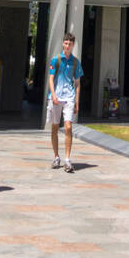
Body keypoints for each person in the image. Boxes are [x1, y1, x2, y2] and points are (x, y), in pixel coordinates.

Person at [47, 32, 82, 173]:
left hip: (69, 97)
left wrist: (77, 102)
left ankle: (67, 159)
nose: (67, 46)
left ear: (73, 45)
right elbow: (50, 79)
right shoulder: (56, 60)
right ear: (63, 43)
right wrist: (53, 95)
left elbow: (78, 83)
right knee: (55, 127)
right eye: (66, 43)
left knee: (68, 127)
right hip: (56, 97)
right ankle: (56, 156)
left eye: (70, 44)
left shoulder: (75, 62)